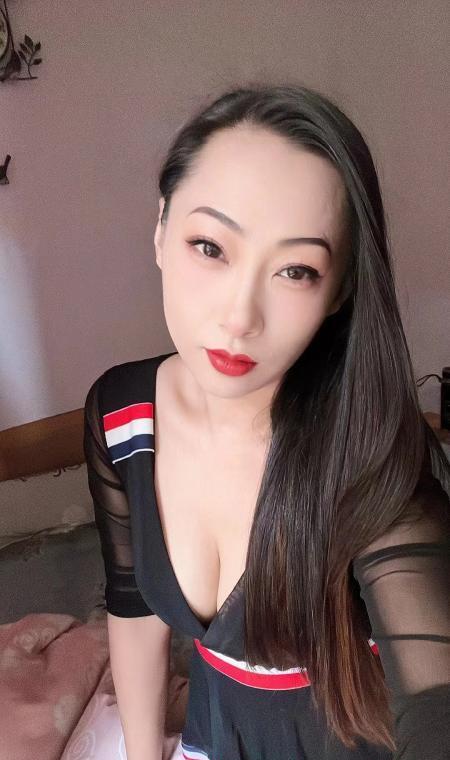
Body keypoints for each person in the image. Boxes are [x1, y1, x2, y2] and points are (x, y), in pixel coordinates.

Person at [83, 83, 450, 760]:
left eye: (296, 270)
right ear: (161, 229)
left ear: (339, 290)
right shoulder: (122, 415)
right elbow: (133, 604)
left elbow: (434, 699)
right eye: (210, 247)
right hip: (217, 734)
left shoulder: (369, 448)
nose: (239, 317)